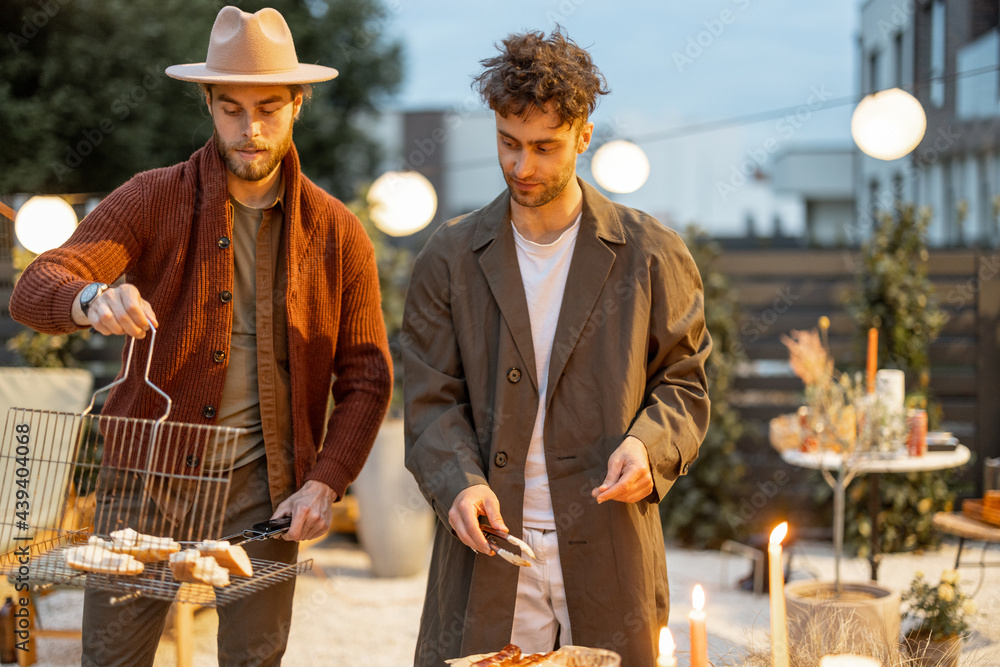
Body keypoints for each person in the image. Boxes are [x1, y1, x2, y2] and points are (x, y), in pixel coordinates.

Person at [9, 6, 392, 666]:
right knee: (112, 658)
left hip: (266, 494)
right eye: (231, 109)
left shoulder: (337, 233)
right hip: (143, 481)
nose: (251, 129)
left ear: (298, 103)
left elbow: (366, 376)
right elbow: (39, 283)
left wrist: (325, 481)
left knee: (253, 660)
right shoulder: (153, 197)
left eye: (269, 107)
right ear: (208, 103)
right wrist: (91, 297)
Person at [401, 28, 711, 666]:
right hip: (491, 548)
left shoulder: (652, 253)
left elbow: (684, 381)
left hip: (608, 545)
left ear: (584, 135)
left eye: (544, 147)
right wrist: (458, 484)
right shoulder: (449, 256)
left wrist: (647, 448)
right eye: (508, 144)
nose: (522, 166)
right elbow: (430, 398)